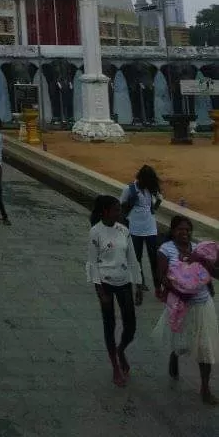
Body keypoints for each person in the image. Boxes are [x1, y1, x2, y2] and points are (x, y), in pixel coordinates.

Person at [155, 214, 219, 405]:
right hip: (180, 305)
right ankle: (174, 356)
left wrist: (204, 262)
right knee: (180, 341)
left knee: (205, 346)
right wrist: (180, 292)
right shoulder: (165, 250)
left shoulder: (200, 249)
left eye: (188, 229)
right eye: (180, 229)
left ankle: (205, 388)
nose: (185, 233)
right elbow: (162, 277)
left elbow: (215, 273)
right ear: (173, 231)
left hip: (202, 304)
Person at [87, 194, 142, 386]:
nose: (120, 212)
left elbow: (133, 259)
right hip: (106, 284)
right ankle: (115, 367)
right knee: (109, 325)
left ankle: (121, 350)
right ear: (106, 212)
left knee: (131, 325)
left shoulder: (124, 230)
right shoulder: (95, 232)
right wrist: (100, 291)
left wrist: (138, 284)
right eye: (117, 209)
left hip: (124, 281)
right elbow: (92, 263)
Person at [120, 164, 162, 290]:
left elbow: (157, 204)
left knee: (154, 257)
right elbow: (122, 205)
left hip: (150, 227)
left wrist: (155, 205)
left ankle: (157, 284)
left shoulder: (151, 189)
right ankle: (140, 282)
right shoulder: (129, 189)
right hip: (135, 227)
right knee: (137, 256)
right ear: (141, 178)